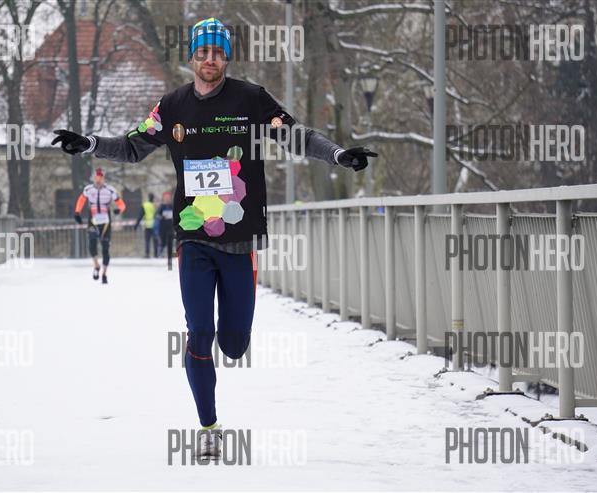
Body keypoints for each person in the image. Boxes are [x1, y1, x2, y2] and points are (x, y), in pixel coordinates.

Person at [51, 17, 376, 458]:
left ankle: (231, 341)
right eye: (203, 52)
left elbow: (296, 136)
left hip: (239, 239)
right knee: (199, 332)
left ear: (226, 58)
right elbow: (131, 146)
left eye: (218, 53)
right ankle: (208, 426)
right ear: (192, 57)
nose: (210, 60)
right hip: (193, 237)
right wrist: (89, 144)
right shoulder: (172, 106)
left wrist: (337, 155)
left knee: (234, 344)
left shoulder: (251, 99)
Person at [73, 167, 126, 284]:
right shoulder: (88, 189)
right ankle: (96, 265)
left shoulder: (110, 190)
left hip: (106, 222)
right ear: (93, 178)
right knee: (92, 244)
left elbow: (121, 204)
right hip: (93, 220)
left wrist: (119, 210)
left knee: (105, 248)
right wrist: (77, 212)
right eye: (96, 178)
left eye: (100, 178)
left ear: (103, 179)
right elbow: (81, 200)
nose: (98, 180)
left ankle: (104, 274)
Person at [156, 191, 175, 270]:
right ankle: (161, 250)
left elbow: (176, 214)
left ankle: (169, 261)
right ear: (163, 198)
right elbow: (157, 215)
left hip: (170, 228)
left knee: (170, 244)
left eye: (168, 197)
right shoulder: (161, 206)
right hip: (163, 228)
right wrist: (162, 217)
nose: (167, 199)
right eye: (166, 197)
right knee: (163, 242)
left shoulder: (172, 206)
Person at [135, 193, 158, 258]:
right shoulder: (154, 205)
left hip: (148, 225)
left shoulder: (145, 205)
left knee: (147, 240)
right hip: (155, 226)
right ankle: (156, 254)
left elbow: (140, 215)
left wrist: (136, 224)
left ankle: (147, 254)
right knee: (155, 240)